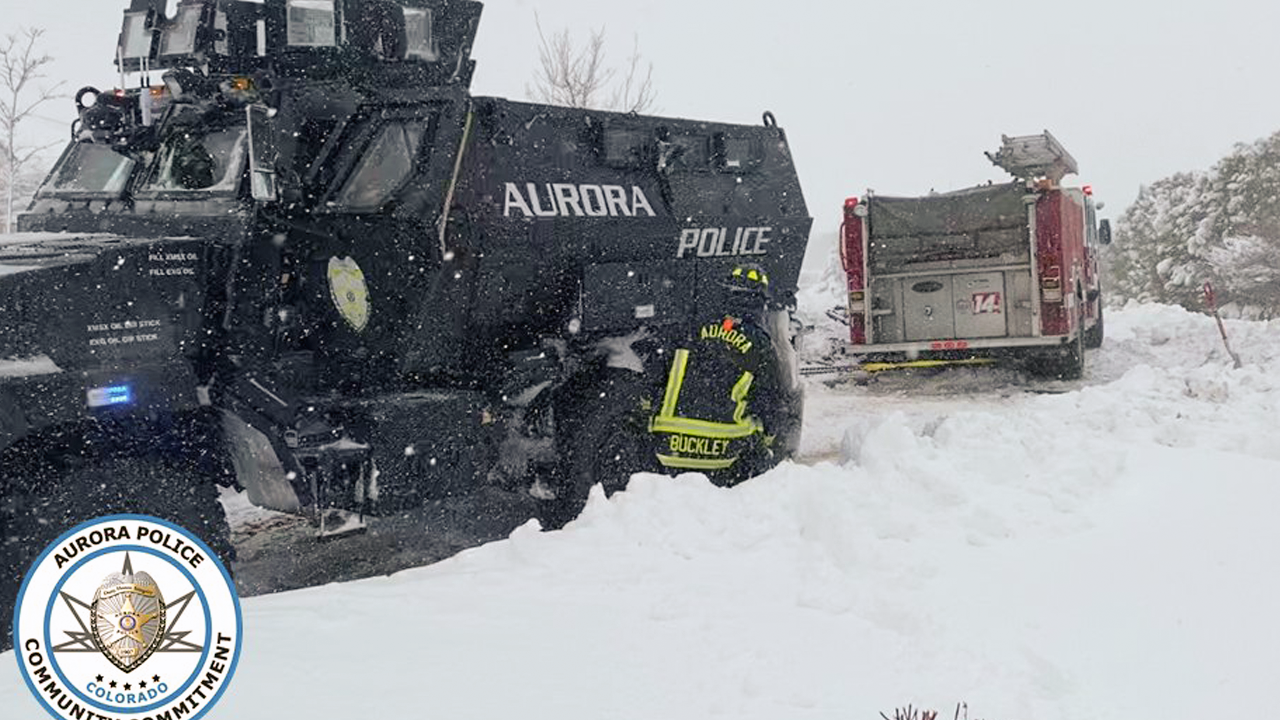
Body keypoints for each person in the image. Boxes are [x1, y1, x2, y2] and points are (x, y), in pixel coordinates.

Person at [646, 263, 783, 486]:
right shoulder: (760, 344)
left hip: (668, 448)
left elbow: (658, 373)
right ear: (760, 301)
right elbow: (769, 399)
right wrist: (768, 438)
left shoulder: (692, 328)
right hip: (725, 454)